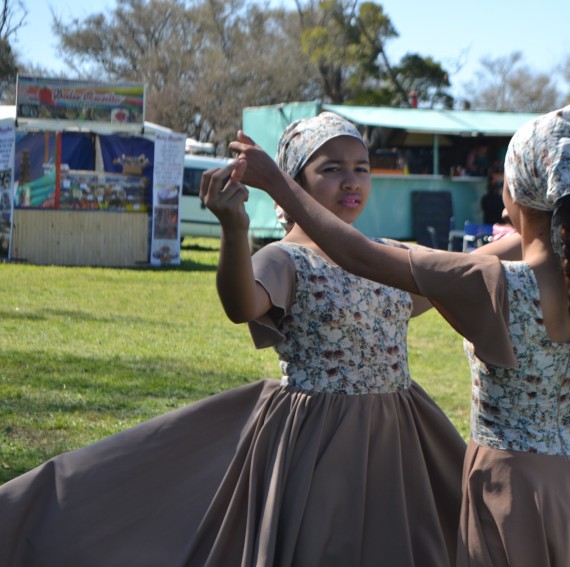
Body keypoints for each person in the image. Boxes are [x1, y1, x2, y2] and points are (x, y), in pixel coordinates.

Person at [0, 112, 467, 567]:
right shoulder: (286, 259)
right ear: (294, 183)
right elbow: (241, 305)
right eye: (331, 169)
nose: (351, 181)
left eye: (361, 169)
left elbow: (462, 273)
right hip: (325, 438)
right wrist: (233, 229)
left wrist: (530, 241)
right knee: (328, 542)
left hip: (398, 432)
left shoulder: (384, 254)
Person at [229, 104, 570, 566]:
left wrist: (276, 184)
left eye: (505, 187)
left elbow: (358, 257)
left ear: (517, 197)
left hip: (509, 490)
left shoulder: (494, 283)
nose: (500, 203)